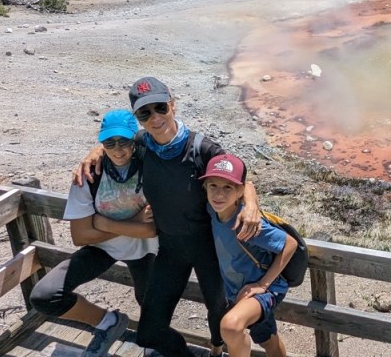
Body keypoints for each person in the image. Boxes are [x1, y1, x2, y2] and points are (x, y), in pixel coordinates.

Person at [74, 77, 262, 357]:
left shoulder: (202, 149)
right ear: (138, 119)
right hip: (170, 248)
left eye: (160, 107)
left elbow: (239, 179)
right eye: (144, 113)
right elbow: (115, 146)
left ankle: (215, 349)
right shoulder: (141, 144)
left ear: (173, 105)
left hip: (209, 247)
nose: (155, 117)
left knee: (218, 310)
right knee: (149, 331)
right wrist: (96, 150)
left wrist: (252, 203)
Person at [31, 109, 157, 357]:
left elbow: (151, 229)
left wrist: (101, 223)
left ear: (135, 140)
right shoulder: (89, 175)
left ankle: (154, 343)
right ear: (101, 142)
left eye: (124, 141)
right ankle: (108, 323)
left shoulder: (152, 166)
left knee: (151, 301)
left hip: (146, 249)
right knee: (45, 296)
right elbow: (80, 237)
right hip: (103, 248)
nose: (117, 149)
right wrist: (132, 222)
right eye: (109, 142)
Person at [201, 154, 296, 357]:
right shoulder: (212, 209)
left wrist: (263, 284)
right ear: (205, 187)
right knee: (267, 338)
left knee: (230, 326)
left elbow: (290, 244)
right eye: (213, 186)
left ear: (240, 191)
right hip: (240, 292)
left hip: (264, 290)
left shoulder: (247, 224)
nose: (219, 194)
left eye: (228, 187)